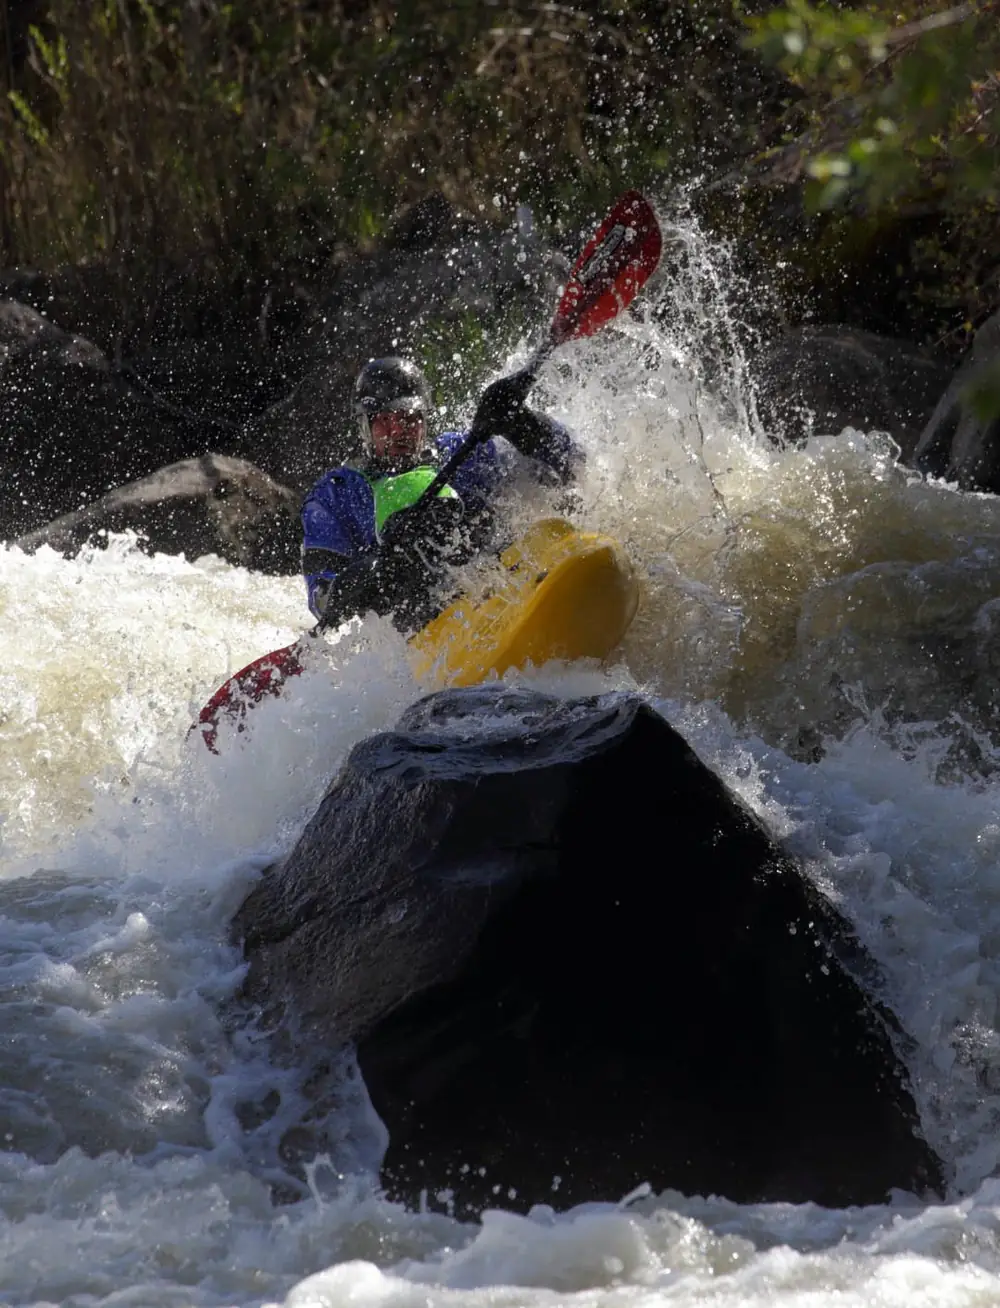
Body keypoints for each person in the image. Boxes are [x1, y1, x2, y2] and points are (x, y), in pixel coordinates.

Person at [301, 355, 583, 632]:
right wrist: (362, 579)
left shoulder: (463, 453)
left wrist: (522, 423)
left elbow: (571, 463)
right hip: (417, 629)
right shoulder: (335, 496)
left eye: (409, 418)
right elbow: (321, 598)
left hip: (491, 590)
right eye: (385, 421)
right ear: (365, 426)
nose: (399, 431)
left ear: (424, 419)